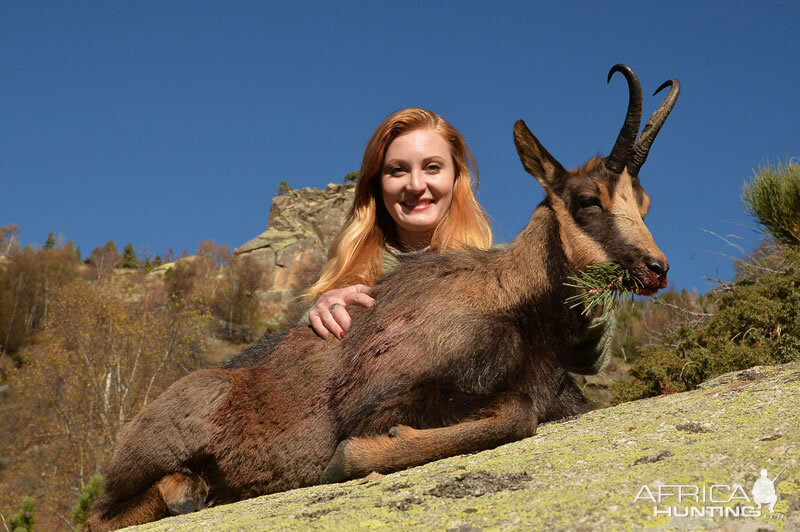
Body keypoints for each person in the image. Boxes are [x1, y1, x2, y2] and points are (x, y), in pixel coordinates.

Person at [305, 107, 614, 374]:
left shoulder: (508, 271)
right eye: (397, 170)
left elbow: (588, 359)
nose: (416, 184)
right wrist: (316, 318)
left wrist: (586, 295)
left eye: (432, 167)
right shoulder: (351, 284)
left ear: (456, 178)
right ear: (378, 185)